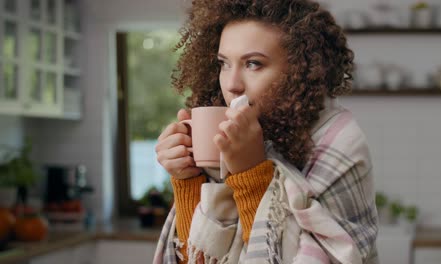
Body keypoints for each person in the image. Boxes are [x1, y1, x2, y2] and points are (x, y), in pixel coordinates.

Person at [154, 0, 378, 263]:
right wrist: (187, 181)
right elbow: (196, 260)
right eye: (224, 64)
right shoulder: (225, 139)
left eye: (253, 64)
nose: (232, 84)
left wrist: (251, 175)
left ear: (299, 70)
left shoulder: (340, 142)